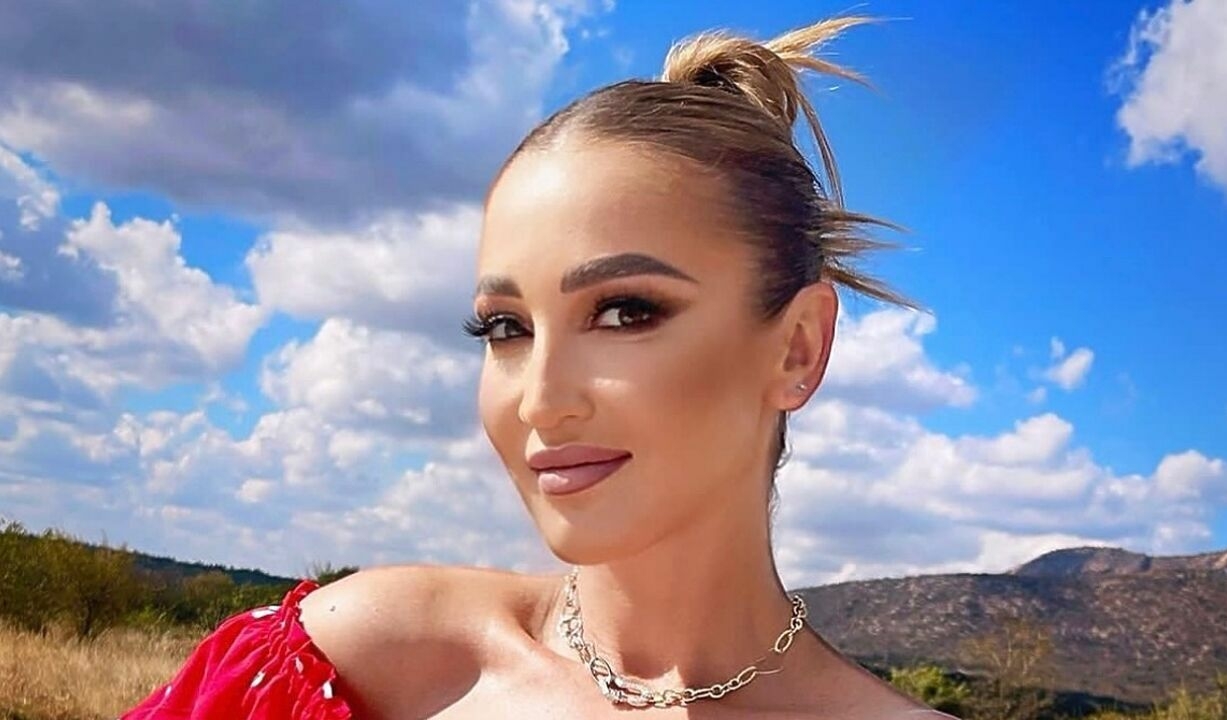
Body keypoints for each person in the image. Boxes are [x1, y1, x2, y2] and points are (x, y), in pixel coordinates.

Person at [121, 15, 958, 720]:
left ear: (798, 347)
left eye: (625, 312)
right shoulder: (354, 661)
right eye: (506, 327)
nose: (540, 401)